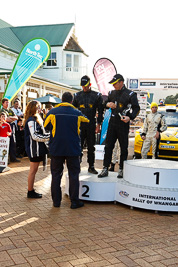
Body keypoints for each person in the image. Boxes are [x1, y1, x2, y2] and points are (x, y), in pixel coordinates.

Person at [44, 92, 89, 209]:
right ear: (72, 101)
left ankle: (56, 202)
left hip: (56, 148)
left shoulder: (52, 112)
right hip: (73, 149)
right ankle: (74, 202)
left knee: (55, 175)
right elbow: (87, 121)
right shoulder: (77, 113)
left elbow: (45, 125)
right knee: (74, 174)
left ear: (61, 100)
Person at [98, 74, 140, 179]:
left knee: (123, 147)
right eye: (112, 83)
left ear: (121, 82)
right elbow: (104, 103)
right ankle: (105, 168)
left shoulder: (130, 94)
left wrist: (129, 117)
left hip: (123, 123)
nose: (113, 85)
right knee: (108, 147)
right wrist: (107, 104)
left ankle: (122, 169)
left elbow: (136, 108)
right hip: (112, 123)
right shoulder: (111, 93)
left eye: (115, 83)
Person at [73, 75, 103, 174]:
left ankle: (91, 166)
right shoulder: (77, 96)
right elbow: (72, 110)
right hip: (80, 125)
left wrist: (99, 125)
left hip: (91, 124)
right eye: (82, 86)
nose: (84, 88)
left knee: (91, 147)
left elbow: (100, 111)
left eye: (85, 86)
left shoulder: (97, 95)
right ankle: (77, 165)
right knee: (78, 146)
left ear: (90, 84)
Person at [24, 100, 50, 198]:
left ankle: (31, 190)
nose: (40, 109)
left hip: (36, 149)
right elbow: (34, 136)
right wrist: (48, 137)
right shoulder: (31, 120)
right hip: (34, 149)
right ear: (33, 108)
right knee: (33, 171)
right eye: (38, 107)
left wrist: (49, 135)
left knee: (33, 171)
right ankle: (30, 191)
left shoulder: (35, 119)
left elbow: (40, 134)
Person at [0, 98, 20, 163]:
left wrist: (10, 118)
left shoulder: (10, 110)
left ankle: (13, 158)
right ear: (3, 103)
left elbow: (16, 117)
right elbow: (6, 120)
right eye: (6, 102)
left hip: (11, 127)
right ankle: (5, 159)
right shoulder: (2, 110)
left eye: (8, 102)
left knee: (13, 142)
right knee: (5, 143)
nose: (7, 104)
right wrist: (11, 118)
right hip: (4, 128)